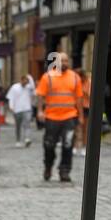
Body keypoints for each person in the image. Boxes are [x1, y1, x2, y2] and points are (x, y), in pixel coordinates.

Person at [37, 52, 83, 182]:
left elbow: (78, 98)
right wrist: (40, 111)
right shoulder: (48, 77)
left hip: (69, 117)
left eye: (66, 61)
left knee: (68, 145)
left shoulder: (75, 77)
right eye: (61, 61)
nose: (64, 63)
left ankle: (64, 171)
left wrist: (80, 116)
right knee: (49, 145)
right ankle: (48, 166)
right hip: (52, 117)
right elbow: (40, 95)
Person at [6, 74, 35, 148]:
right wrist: (11, 106)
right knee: (18, 126)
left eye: (27, 81)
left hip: (27, 109)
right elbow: (11, 97)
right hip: (17, 110)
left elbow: (33, 87)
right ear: (21, 80)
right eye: (25, 80)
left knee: (27, 124)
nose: (26, 82)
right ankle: (18, 140)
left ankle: (27, 139)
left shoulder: (28, 88)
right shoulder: (15, 87)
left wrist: (30, 77)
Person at [75, 68, 91, 155]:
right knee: (76, 128)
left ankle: (84, 147)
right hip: (77, 107)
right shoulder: (77, 82)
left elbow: (90, 95)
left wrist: (84, 92)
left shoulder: (89, 82)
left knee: (85, 128)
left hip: (86, 107)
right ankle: (75, 146)